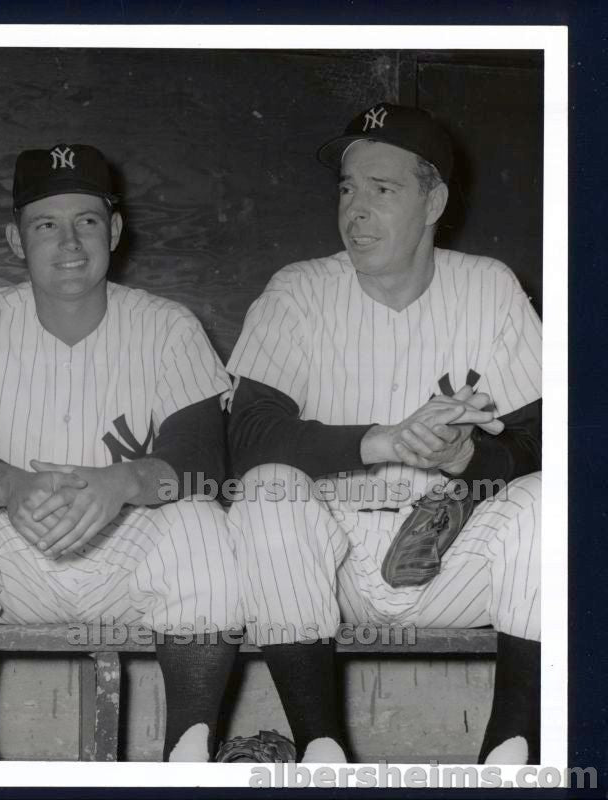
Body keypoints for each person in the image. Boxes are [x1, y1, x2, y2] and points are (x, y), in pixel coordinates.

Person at [0, 143, 243, 762]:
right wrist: (10, 486)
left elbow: (202, 462)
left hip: (130, 564)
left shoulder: (168, 325)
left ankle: (189, 754)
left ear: (113, 230)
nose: (69, 243)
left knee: (201, 523)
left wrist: (122, 483)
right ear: (15, 239)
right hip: (13, 564)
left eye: (86, 221)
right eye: (46, 225)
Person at [226, 103, 541, 764]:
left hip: (451, 551)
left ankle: (510, 753)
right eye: (346, 188)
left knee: (551, 498)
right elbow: (248, 436)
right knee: (266, 491)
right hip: (326, 567)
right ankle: (321, 751)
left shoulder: (488, 288)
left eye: (382, 188)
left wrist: (469, 457)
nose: (355, 208)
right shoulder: (298, 291)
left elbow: (542, 438)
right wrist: (379, 442)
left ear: (433, 202)